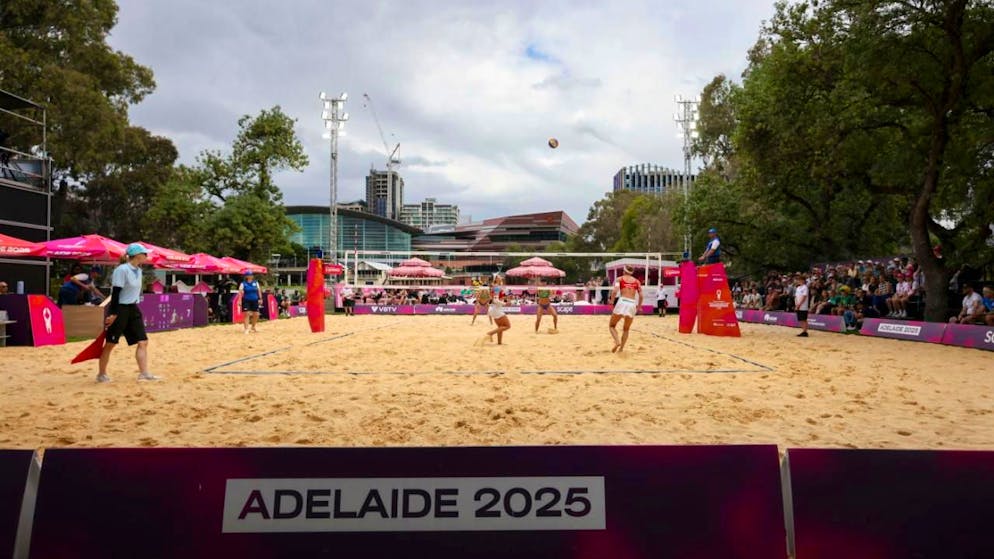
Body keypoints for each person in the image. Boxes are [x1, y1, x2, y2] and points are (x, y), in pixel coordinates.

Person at [97, 243, 160, 383]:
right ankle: (101, 374)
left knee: (143, 341)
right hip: (120, 308)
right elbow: (116, 293)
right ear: (137, 255)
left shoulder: (138, 270)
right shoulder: (122, 270)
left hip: (132, 307)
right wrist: (112, 314)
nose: (146, 256)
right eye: (145, 253)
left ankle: (144, 373)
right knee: (110, 343)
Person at [608, 265, 643, 353]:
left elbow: (615, 291)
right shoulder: (637, 281)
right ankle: (621, 349)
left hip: (622, 301)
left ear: (624, 271)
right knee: (626, 329)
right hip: (632, 303)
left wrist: (611, 301)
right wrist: (638, 307)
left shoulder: (619, 279)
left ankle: (617, 342)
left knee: (612, 326)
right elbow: (641, 296)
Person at [480, 275, 511, 345]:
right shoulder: (496, 287)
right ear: (496, 279)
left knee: (500, 327)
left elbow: (497, 298)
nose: (501, 277)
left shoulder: (496, 286)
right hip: (496, 309)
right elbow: (495, 300)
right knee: (507, 326)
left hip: (493, 309)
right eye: (499, 276)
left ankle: (499, 342)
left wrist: (505, 300)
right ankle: (490, 333)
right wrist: (505, 303)